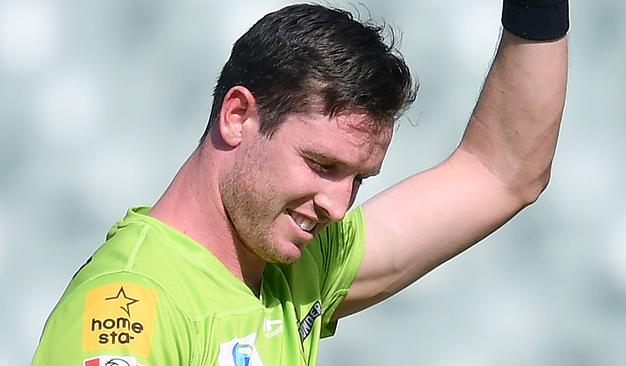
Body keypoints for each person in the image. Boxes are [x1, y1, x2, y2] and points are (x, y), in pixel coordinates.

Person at [33, 1, 569, 365]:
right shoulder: (129, 309)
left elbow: (503, 171)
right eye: (321, 164)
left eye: (359, 179)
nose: (338, 206)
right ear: (238, 115)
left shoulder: (302, 263)